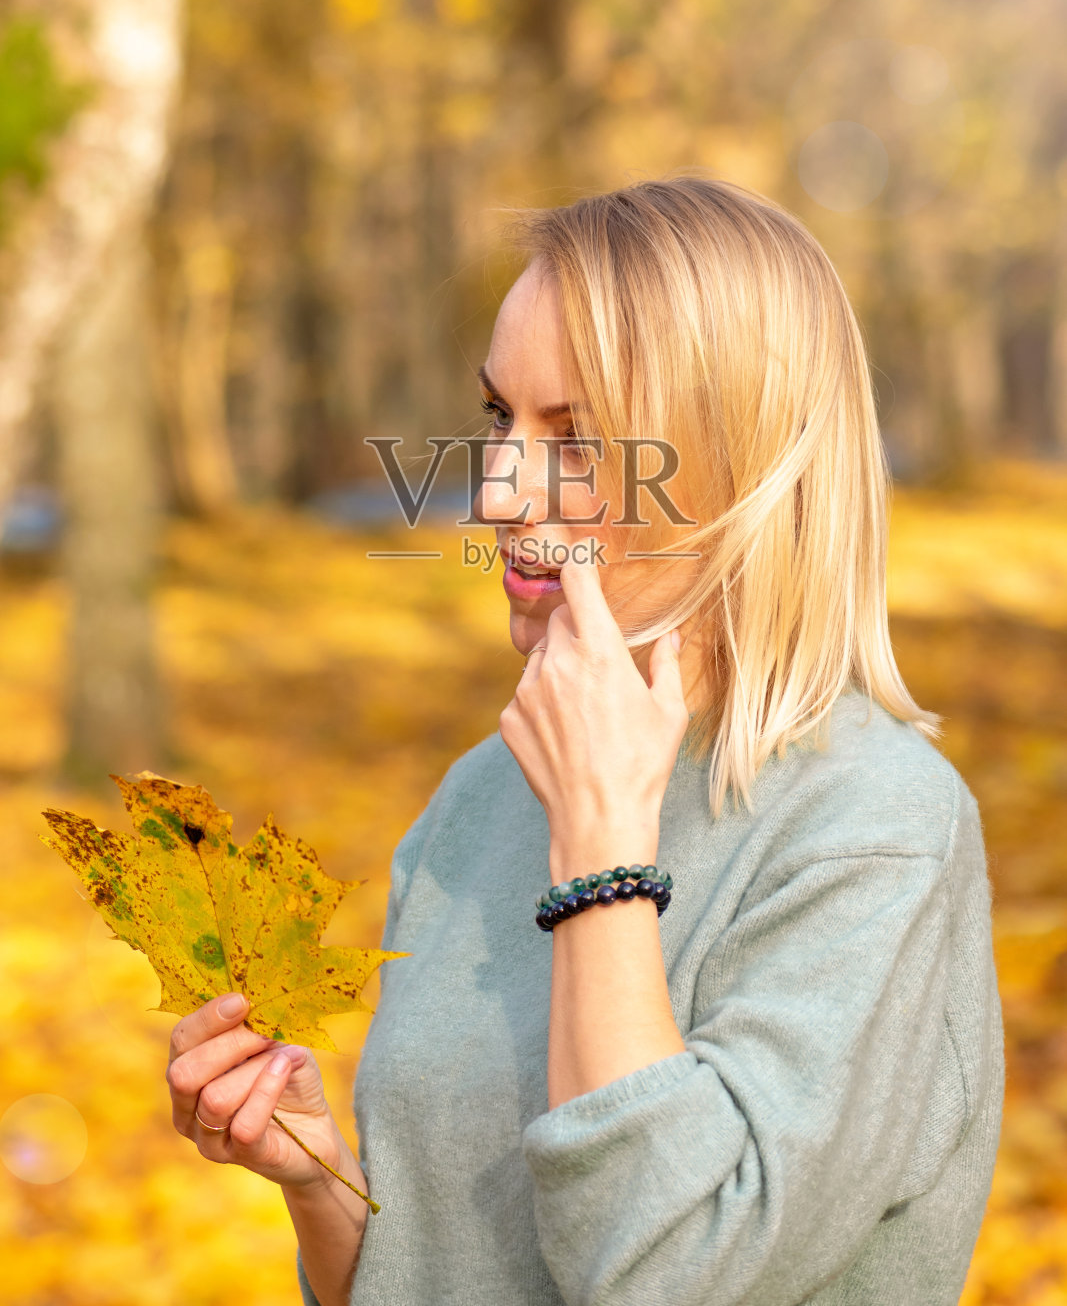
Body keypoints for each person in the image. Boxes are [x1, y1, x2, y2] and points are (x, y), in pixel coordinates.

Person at [165, 177, 1004, 1306]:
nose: (502, 490)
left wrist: (603, 849)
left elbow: (664, 1271)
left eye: (578, 438)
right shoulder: (485, 793)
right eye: (498, 419)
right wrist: (321, 1183)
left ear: (744, 472)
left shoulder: (874, 827)